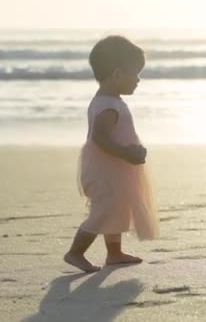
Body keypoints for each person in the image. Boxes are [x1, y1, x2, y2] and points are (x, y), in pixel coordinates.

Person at [64, 35, 160, 273]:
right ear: (117, 75)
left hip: (114, 166)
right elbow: (100, 138)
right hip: (106, 167)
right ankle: (75, 252)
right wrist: (126, 153)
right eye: (135, 74)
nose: (138, 80)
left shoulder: (109, 100)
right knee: (104, 209)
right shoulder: (108, 106)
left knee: (117, 206)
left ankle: (114, 253)